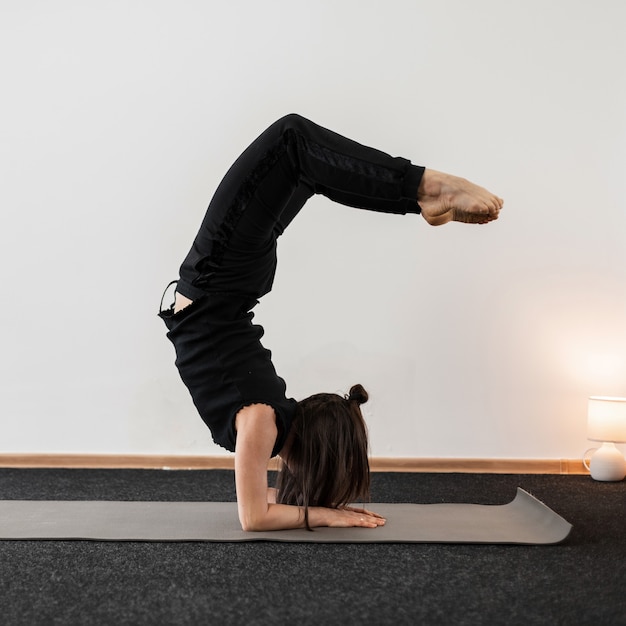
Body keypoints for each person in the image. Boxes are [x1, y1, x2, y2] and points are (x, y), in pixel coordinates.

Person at [159, 114, 503, 532]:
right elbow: (258, 507)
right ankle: (421, 193)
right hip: (220, 284)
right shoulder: (267, 423)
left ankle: (424, 190)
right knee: (294, 148)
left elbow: (253, 515)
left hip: (220, 282)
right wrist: (325, 509)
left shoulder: (262, 423)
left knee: (296, 149)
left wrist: (322, 511)